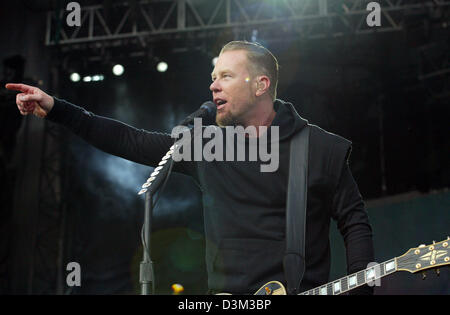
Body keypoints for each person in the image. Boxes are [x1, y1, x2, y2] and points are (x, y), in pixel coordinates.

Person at [5, 41, 374, 295]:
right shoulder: (207, 144)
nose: (213, 85)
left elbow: (354, 221)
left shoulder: (319, 147)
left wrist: (359, 288)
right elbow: (132, 141)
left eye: (226, 76)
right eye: (213, 76)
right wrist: (57, 108)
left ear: (261, 84)